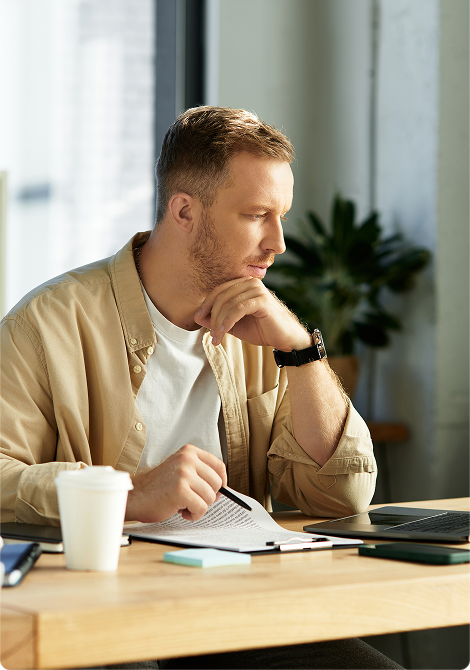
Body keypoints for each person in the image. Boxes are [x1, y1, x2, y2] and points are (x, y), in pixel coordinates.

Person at [1, 107, 401, 669]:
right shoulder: (48, 322)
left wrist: (301, 350)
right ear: (184, 210)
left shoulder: (266, 323)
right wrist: (130, 493)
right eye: (257, 214)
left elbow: (343, 495)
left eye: (280, 215)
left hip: (237, 609)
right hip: (101, 613)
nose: (279, 243)